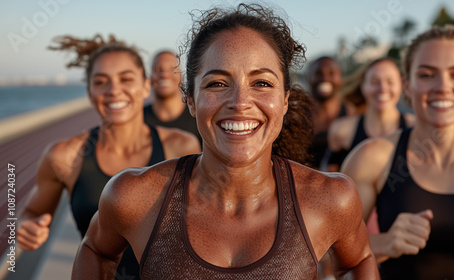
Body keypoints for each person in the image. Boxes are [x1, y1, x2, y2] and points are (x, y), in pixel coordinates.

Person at [71, 4, 379, 279]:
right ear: (190, 100)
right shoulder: (132, 198)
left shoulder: (332, 200)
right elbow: (96, 250)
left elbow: (358, 260)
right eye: (217, 83)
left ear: (285, 100)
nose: (240, 101)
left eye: (262, 83)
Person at [17, 34, 201, 279]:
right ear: (90, 91)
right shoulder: (63, 156)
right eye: (101, 81)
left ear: (146, 85)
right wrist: (25, 229)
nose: (114, 90)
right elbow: (30, 214)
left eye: (126, 79)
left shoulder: (181, 145)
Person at [341, 25, 454, 279]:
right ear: (407, 85)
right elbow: (329, 260)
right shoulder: (372, 158)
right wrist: (384, 243)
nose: (442, 87)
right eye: (427, 75)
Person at [325, 57, 415, 172]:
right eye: (375, 82)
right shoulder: (341, 131)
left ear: (401, 86)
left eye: (390, 82)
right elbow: (329, 177)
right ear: (363, 86)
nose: (382, 89)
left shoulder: (415, 127)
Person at [144, 50, 202, 143]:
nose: (164, 75)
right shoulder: (139, 119)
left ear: (181, 75)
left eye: (172, 69)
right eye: (158, 69)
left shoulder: (198, 118)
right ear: (150, 77)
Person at [306, 56, 349, 169]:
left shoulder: (351, 114)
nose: (325, 78)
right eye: (318, 73)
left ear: (340, 78)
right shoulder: (297, 116)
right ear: (309, 78)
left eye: (331, 73)